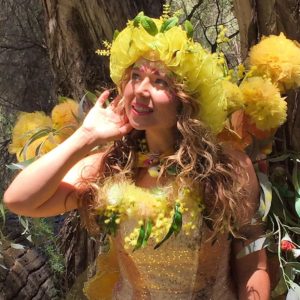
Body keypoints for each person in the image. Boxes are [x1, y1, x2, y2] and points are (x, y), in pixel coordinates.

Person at [4, 13, 271, 299]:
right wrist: (87, 136)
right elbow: (19, 200)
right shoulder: (110, 165)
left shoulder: (227, 166)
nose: (141, 90)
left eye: (159, 81)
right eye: (135, 76)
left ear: (186, 98)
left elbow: (253, 260)